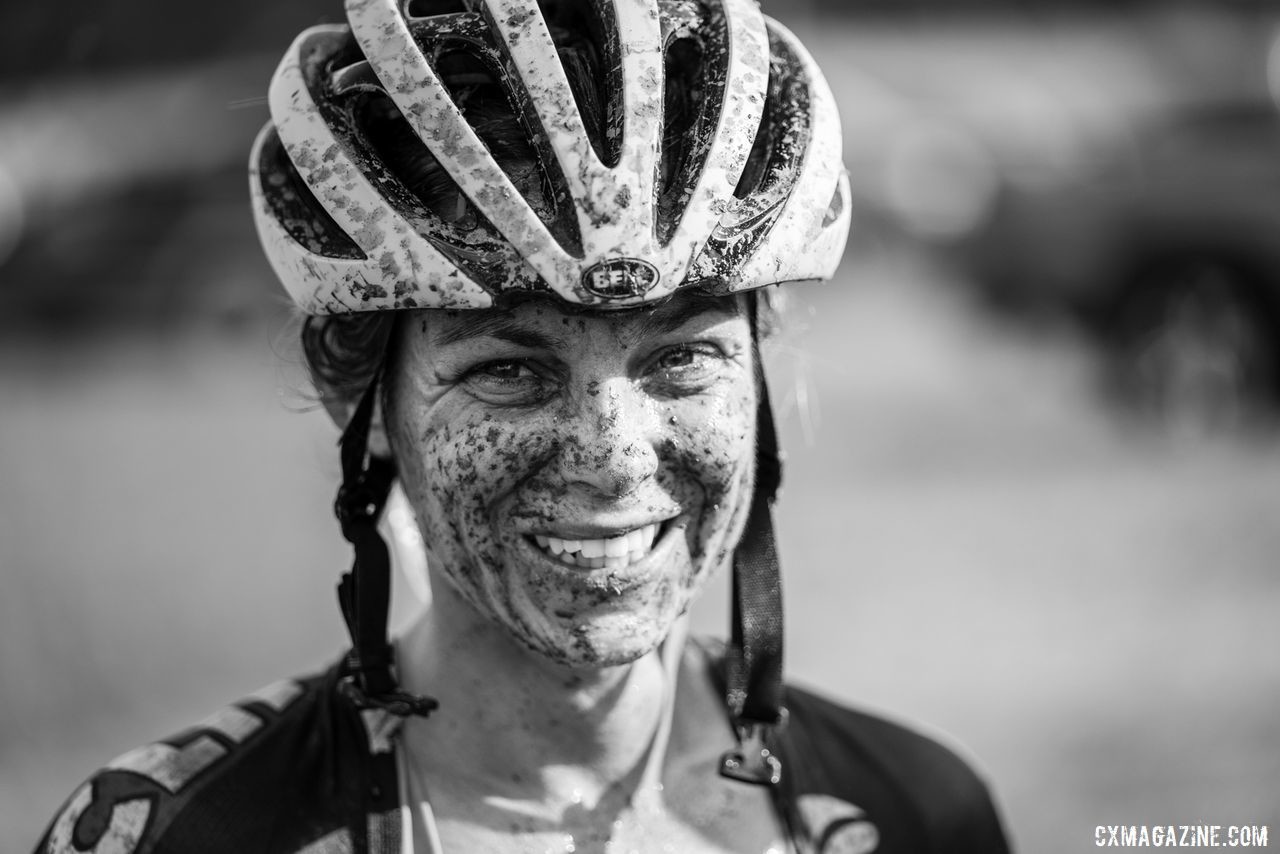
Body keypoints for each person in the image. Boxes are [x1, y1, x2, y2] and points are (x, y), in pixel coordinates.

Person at [36, 0, 1012, 851]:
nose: (615, 457)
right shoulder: (172, 836)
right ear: (364, 408)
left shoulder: (917, 811)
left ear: (760, 375)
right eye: (508, 371)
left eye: (680, 358)